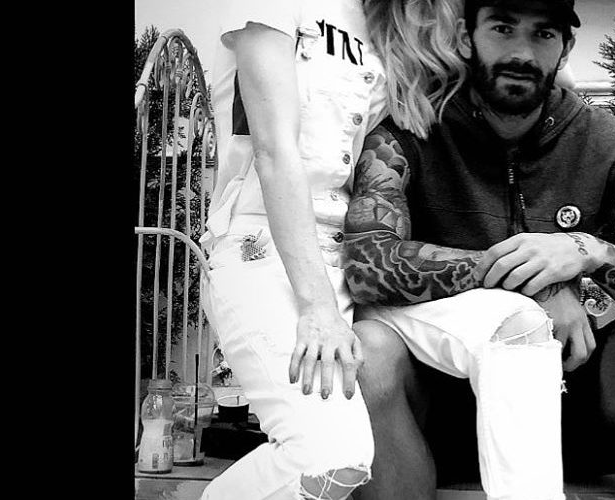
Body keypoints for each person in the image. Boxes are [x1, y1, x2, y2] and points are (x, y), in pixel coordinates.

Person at [343, 1, 615, 499]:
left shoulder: (609, 142)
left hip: (574, 399)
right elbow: (366, 263)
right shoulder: (408, 131)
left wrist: (584, 250)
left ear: (566, 47)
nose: (522, 52)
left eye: (543, 34)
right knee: (367, 347)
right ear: (466, 37)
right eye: (503, 28)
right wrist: (533, 285)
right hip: (437, 405)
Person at [196, 1, 465, 499]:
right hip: (267, 246)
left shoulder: (387, 20)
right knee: (328, 457)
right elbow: (274, 150)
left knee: (356, 463)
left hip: (351, 257)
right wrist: (317, 307)